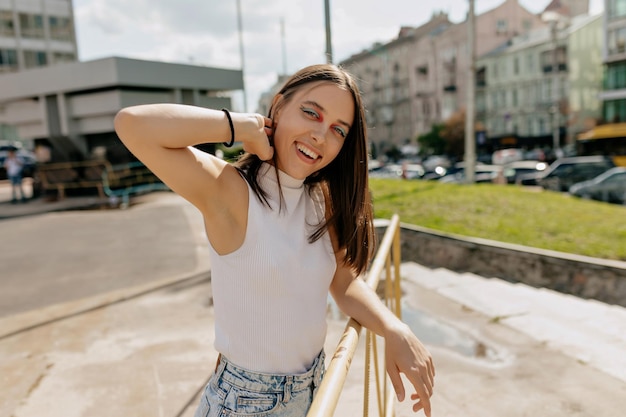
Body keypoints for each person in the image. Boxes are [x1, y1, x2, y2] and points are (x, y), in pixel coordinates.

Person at [114, 63, 435, 417]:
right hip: (246, 404)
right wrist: (242, 126)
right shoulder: (230, 189)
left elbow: (343, 281)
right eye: (311, 113)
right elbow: (132, 124)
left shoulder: (320, 198)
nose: (320, 135)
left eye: (337, 130)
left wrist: (393, 327)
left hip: (313, 386)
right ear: (279, 106)